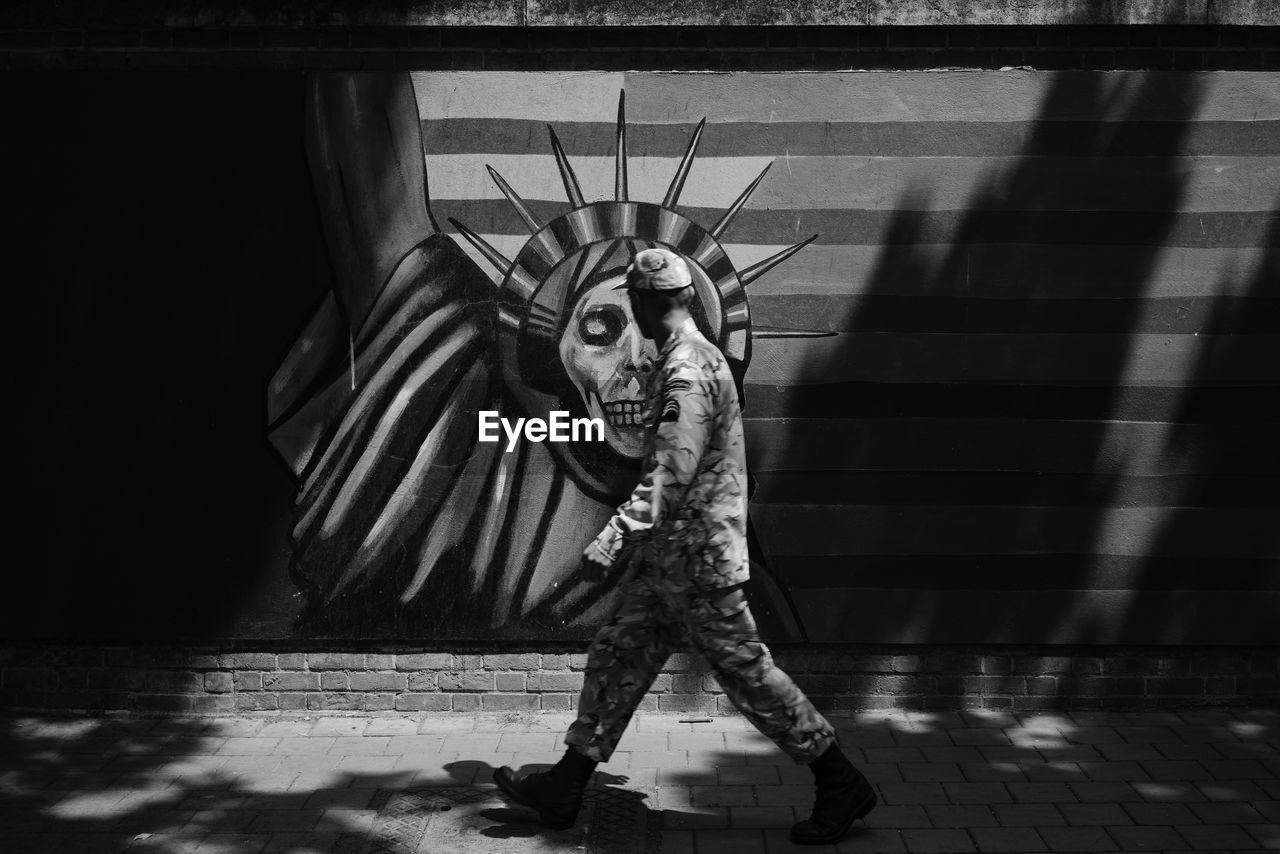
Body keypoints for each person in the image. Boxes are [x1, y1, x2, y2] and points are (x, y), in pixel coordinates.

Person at [494, 248, 877, 845]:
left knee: (748, 674)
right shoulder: (683, 361)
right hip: (674, 559)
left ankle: (839, 779)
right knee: (617, 654)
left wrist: (617, 532)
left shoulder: (690, 369)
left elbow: (674, 467)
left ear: (647, 304)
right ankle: (567, 782)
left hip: (699, 561)